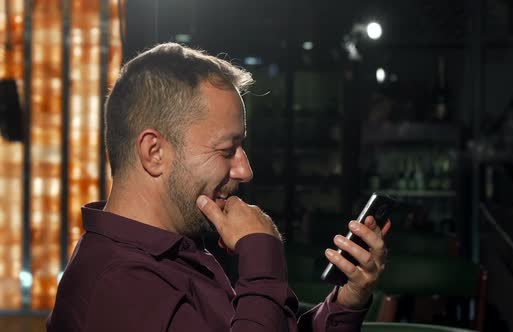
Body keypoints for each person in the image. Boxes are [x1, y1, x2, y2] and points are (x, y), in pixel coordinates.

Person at [47, 43, 390, 331]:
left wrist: (345, 303)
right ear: (154, 153)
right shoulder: (117, 284)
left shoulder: (174, 251)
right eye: (227, 150)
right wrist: (262, 257)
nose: (245, 170)